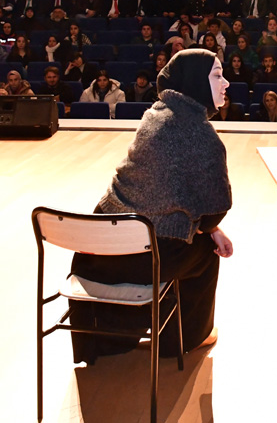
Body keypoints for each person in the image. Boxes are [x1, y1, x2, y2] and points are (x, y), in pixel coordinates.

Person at [68, 50, 233, 363]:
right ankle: (182, 340)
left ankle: (108, 342)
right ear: (196, 81)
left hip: (97, 251)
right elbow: (214, 210)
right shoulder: (201, 135)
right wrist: (211, 229)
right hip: (143, 259)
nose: (225, 82)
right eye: (216, 75)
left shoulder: (154, 114)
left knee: (178, 237)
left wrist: (209, 227)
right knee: (205, 253)